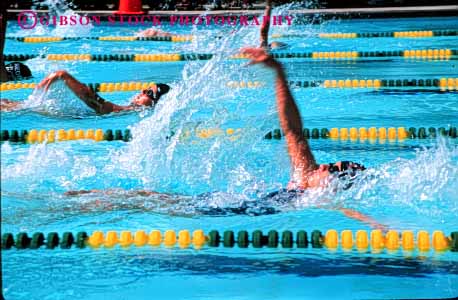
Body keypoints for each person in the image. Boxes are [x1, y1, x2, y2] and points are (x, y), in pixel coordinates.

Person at [65, 48, 384, 229]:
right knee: (142, 196)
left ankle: (77, 206)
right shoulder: (305, 177)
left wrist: (380, 226)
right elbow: (292, 128)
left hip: (227, 212)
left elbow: (350, 214)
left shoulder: (319, 194)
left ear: (334, 183)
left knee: (140, 200)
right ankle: (80, 202)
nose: (327, 164)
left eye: (335, 168)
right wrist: (278, 73)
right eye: (332, 162)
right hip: (225, 205)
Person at [0, 70, 170, 114]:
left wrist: (63, 76)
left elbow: (97, 103)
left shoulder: (124, 111)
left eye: (149, 92)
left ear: (156, 104)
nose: (142, 91)